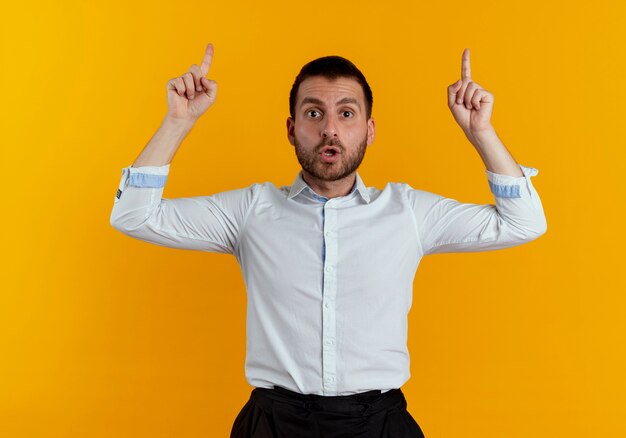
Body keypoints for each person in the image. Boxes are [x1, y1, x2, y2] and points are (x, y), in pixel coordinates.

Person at [110, 43, 547, 438]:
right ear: (291, 127)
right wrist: (177, 122)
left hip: (379, 424)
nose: (330, 130)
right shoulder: (250, 212)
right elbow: (133, 215)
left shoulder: (408, 212)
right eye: (314, 113)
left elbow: (523, 222)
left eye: (347, 113)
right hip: (273, 424)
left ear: (369, 129)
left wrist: (481, 134)